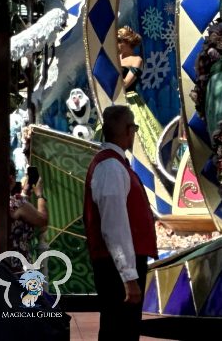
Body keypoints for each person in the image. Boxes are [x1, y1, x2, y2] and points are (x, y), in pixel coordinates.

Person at [84, 105, 157, 341]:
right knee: (119, 331)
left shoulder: (114, 164)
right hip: (115, 266)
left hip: (118, 263)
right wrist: (128, 276)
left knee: (122, 329)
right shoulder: (111, 167)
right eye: (134, 127)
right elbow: (114, 226)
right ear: (128, 130)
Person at [117, 26, 161, 163]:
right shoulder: (115, 58)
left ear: (128, 42)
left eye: (119, 40)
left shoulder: (137, 60)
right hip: (114, 102)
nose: (116, 43)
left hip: (130, 101)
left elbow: (125, 84)